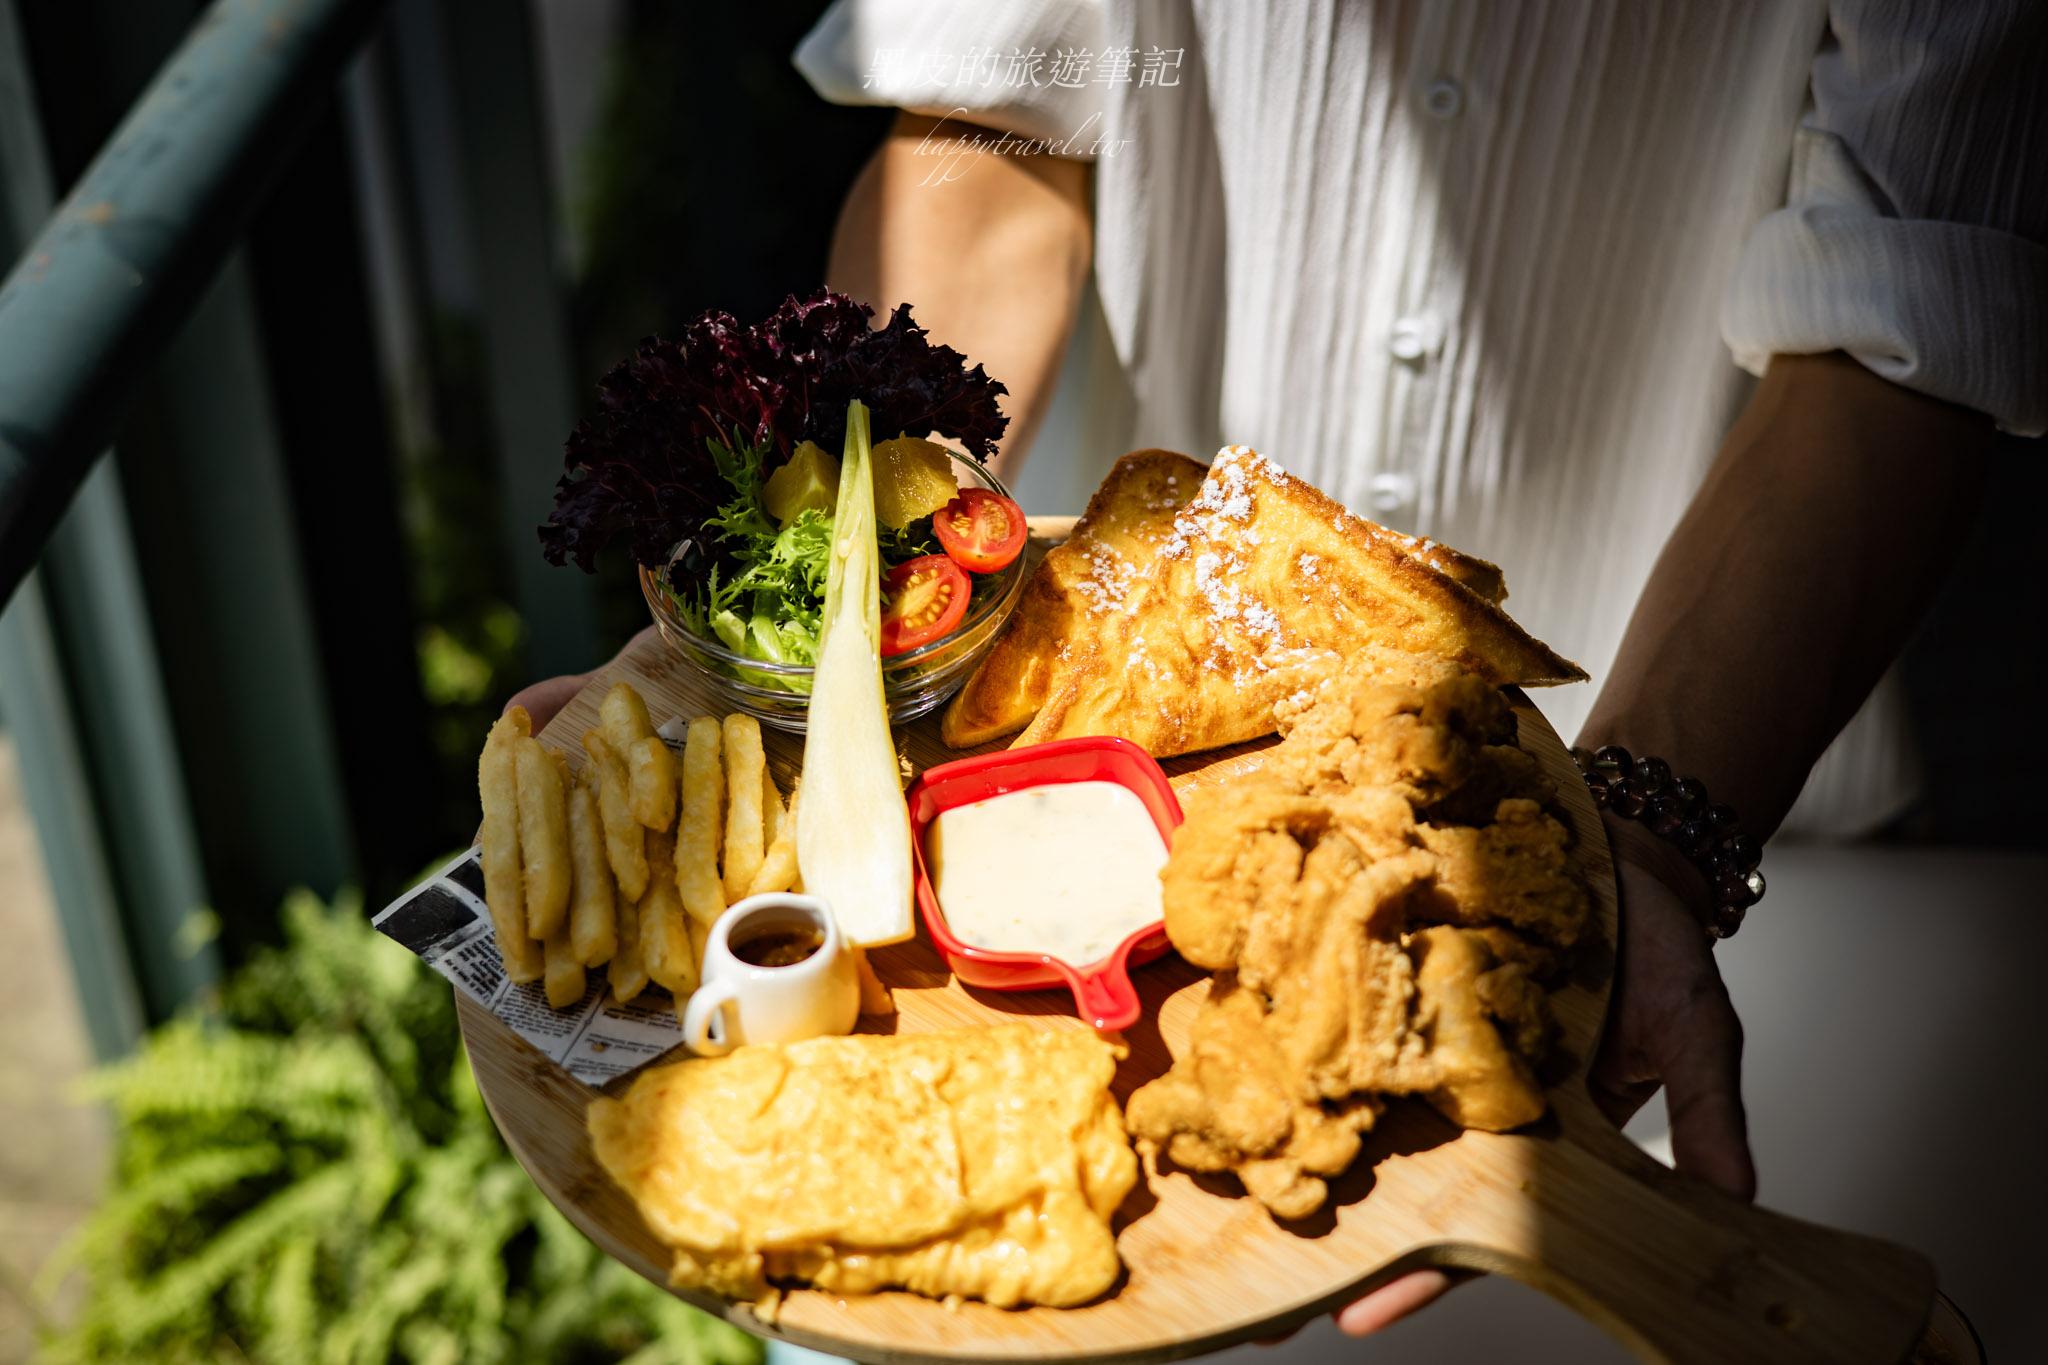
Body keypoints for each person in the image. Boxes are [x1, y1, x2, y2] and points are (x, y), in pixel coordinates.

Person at [511, 0, 2043, 1337]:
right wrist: (841, 618)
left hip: (1742, 782)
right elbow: (1000, 114)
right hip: (1108, 672)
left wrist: (1644, 833)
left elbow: (1904, 312)